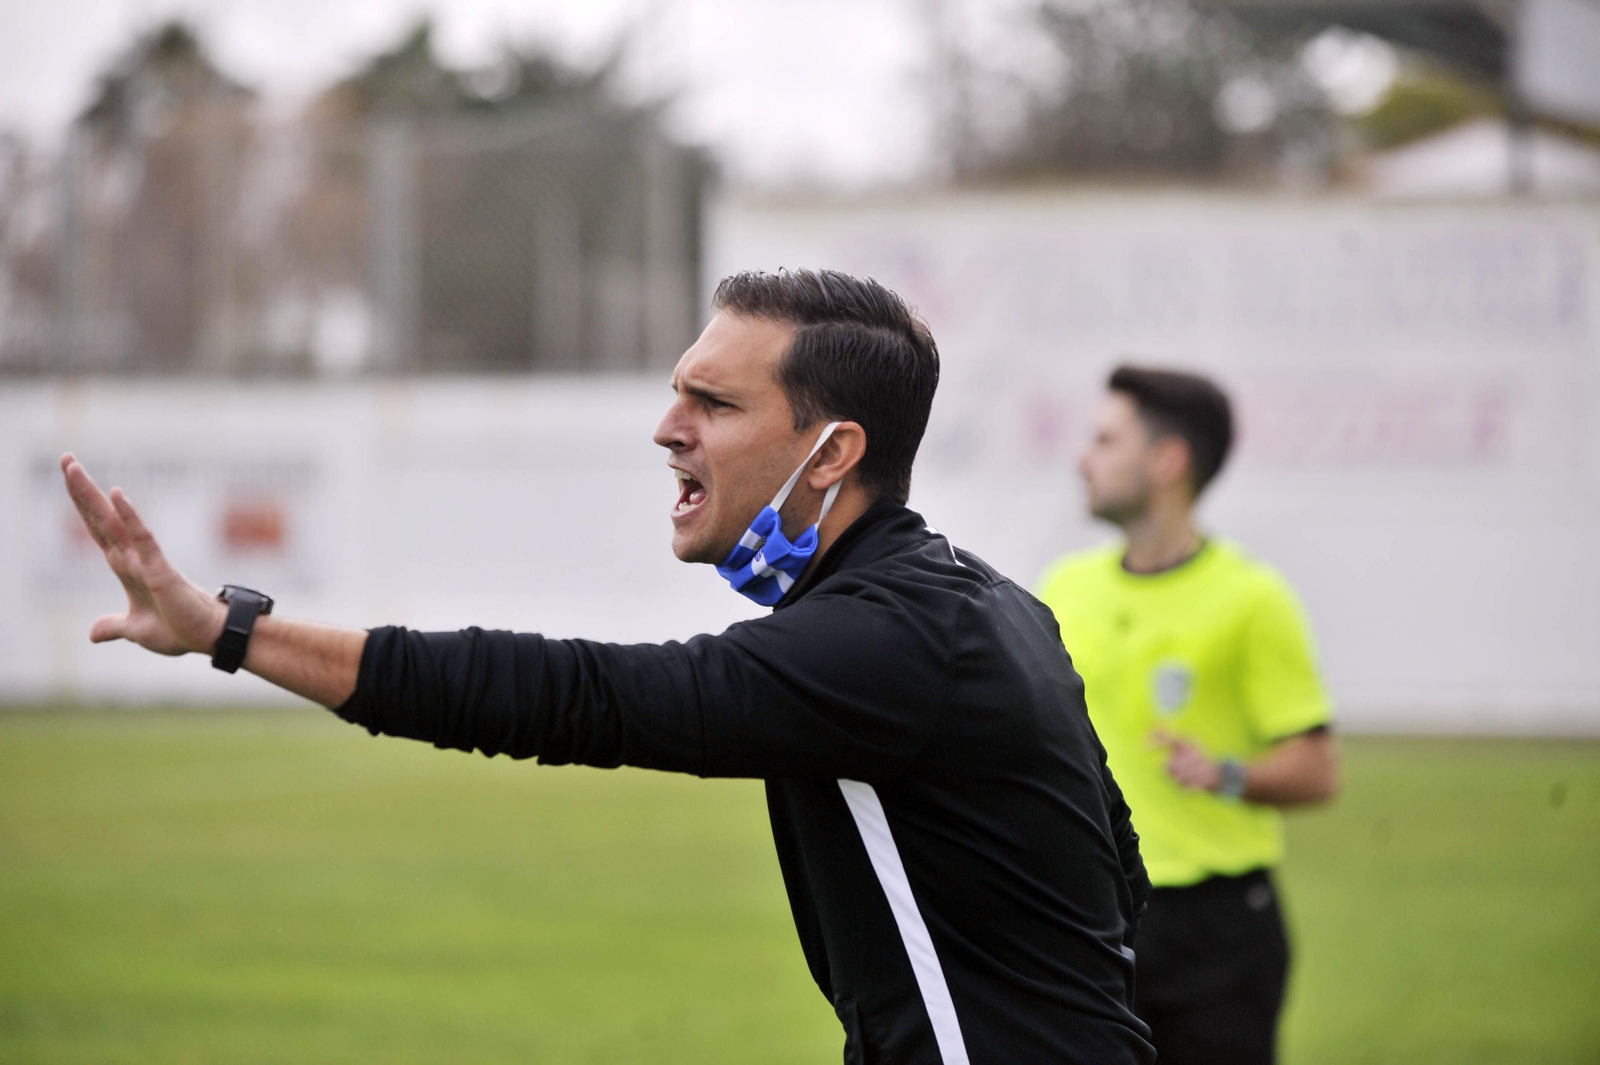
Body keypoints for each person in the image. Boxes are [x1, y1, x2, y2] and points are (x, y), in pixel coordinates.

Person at [60, 269, 1155, 1065]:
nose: (666, 429)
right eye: (679, 391)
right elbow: (1122, 874)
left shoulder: (889, 640)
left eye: (713, 404)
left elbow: (584, 699)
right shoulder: (985, 602)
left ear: (834, 452)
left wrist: (231, 631)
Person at [1036, 366, 1341, 1065]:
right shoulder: (1063, 588)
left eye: (1106, 439)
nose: (1084, 457)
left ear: (1167, 460)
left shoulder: (1252, 599)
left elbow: (1319, 770)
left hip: (1218, 928)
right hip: (1091, 920)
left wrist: (1227, 773)